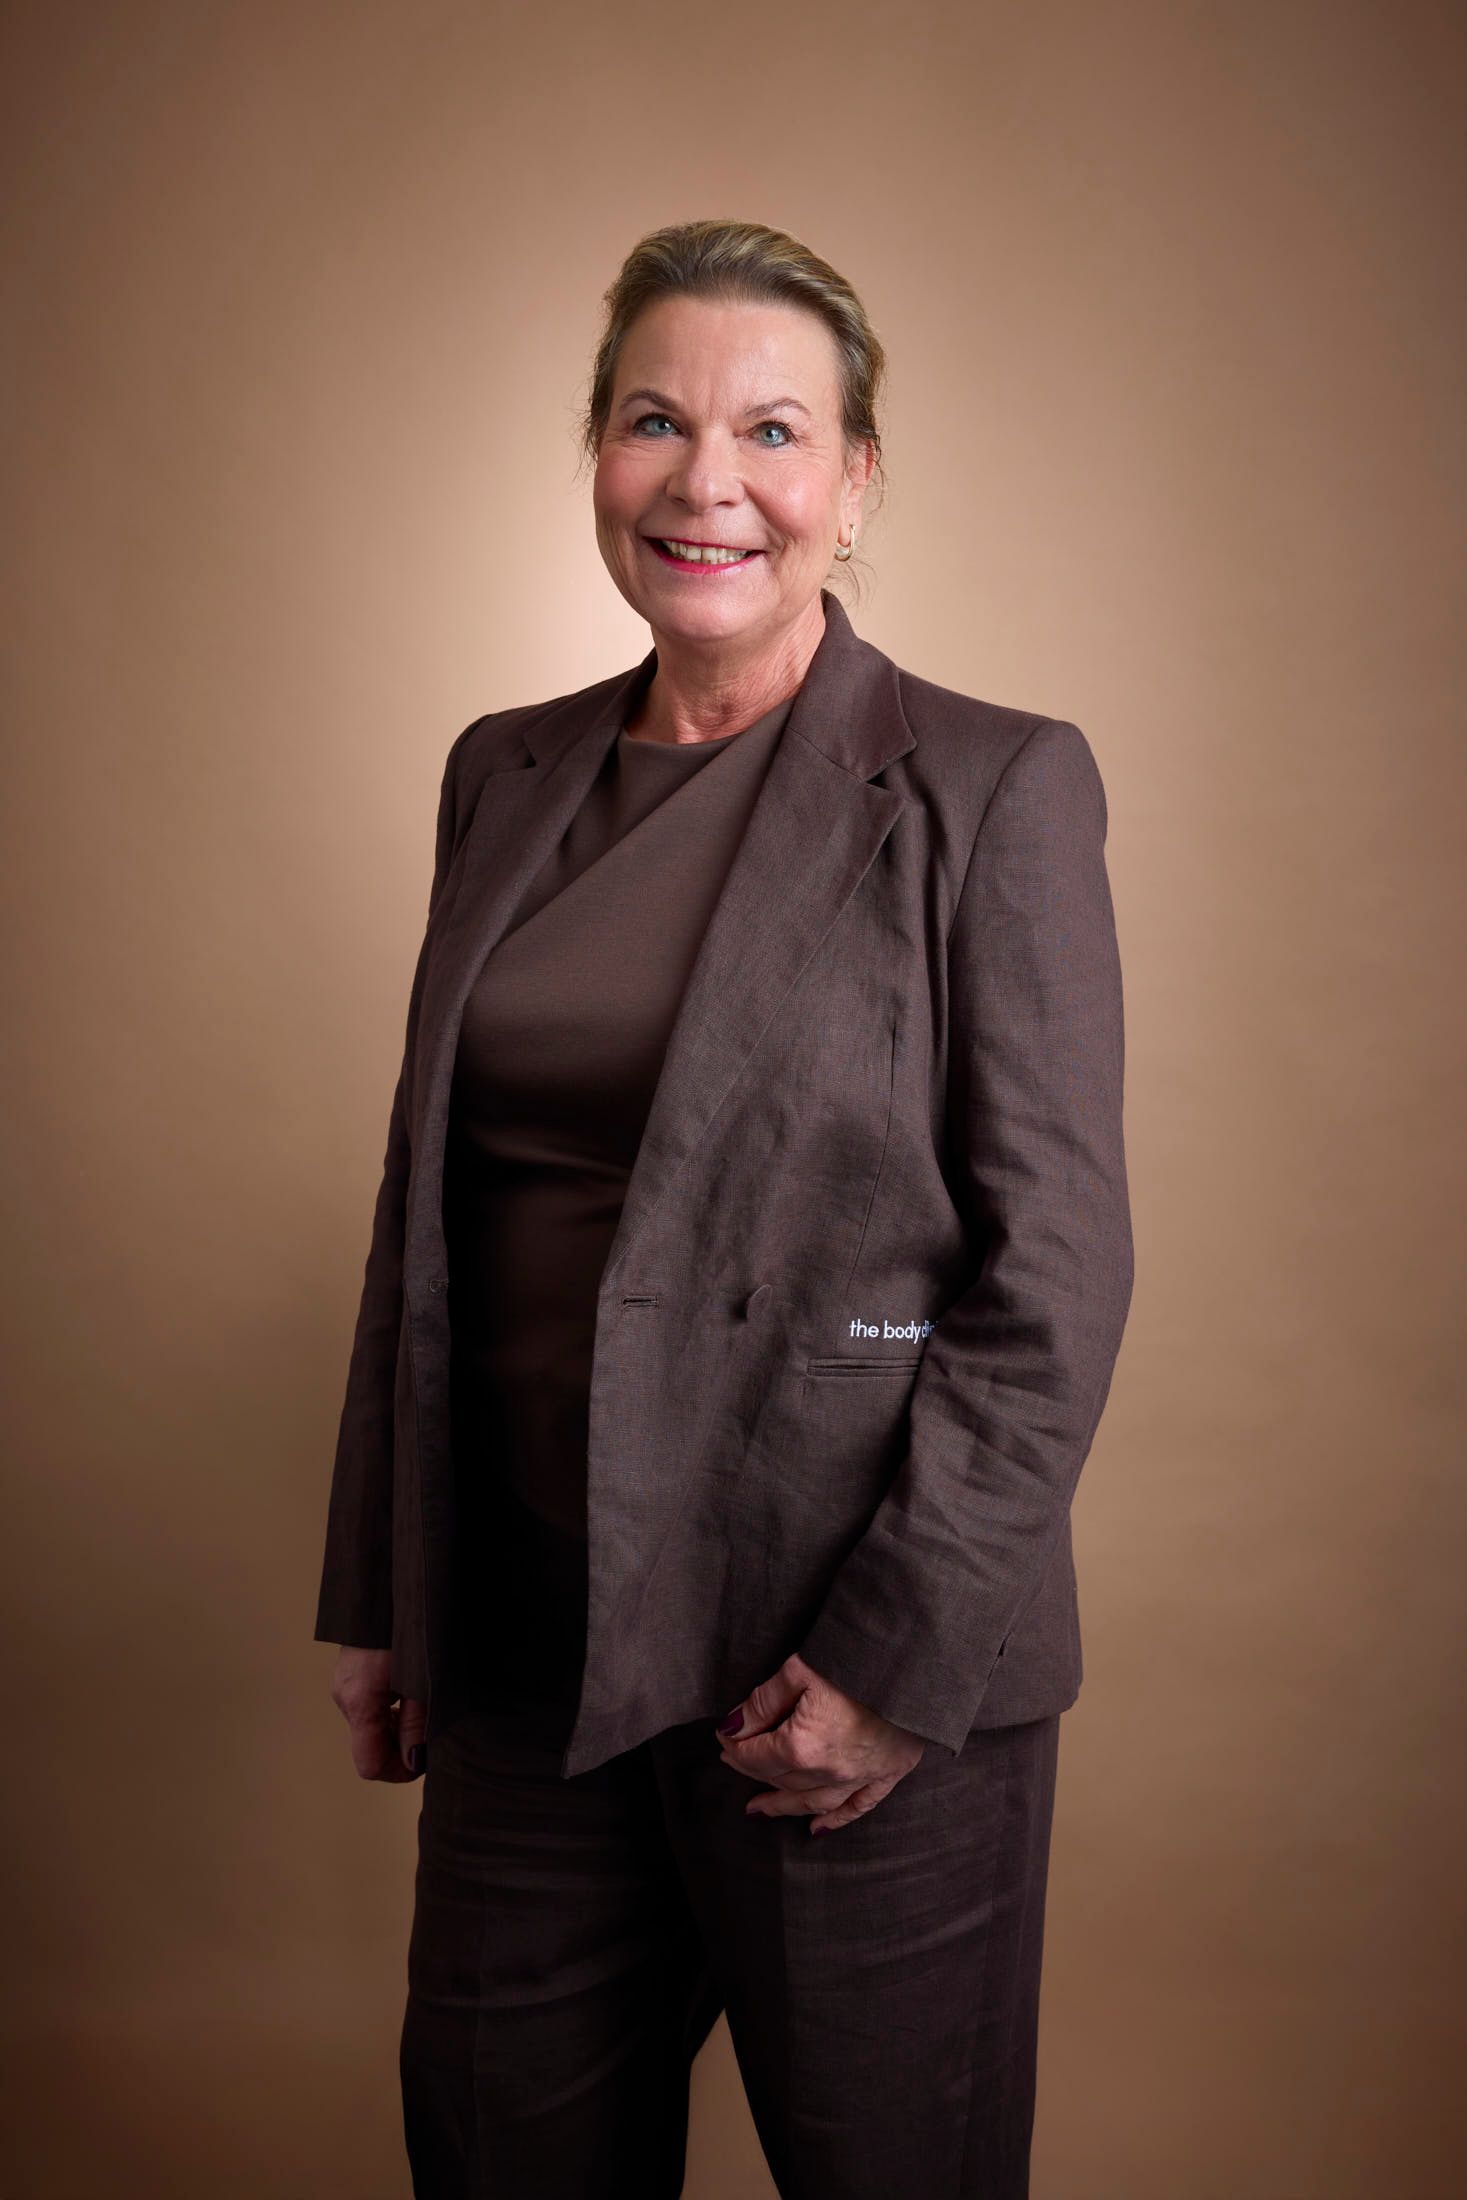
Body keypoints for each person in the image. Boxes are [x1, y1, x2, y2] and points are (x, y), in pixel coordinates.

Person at [313, 217, 1134, 2199]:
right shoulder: (496, 774)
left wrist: (887, 1663)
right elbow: (427, 1210)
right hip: (525, 1658)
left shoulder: (987, 787)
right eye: (651, 419)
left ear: (852, 481)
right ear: (590, 452)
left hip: (830, 1673)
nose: (706, 478)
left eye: (772, 427)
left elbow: (1055, 1273)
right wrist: (380, 1579)